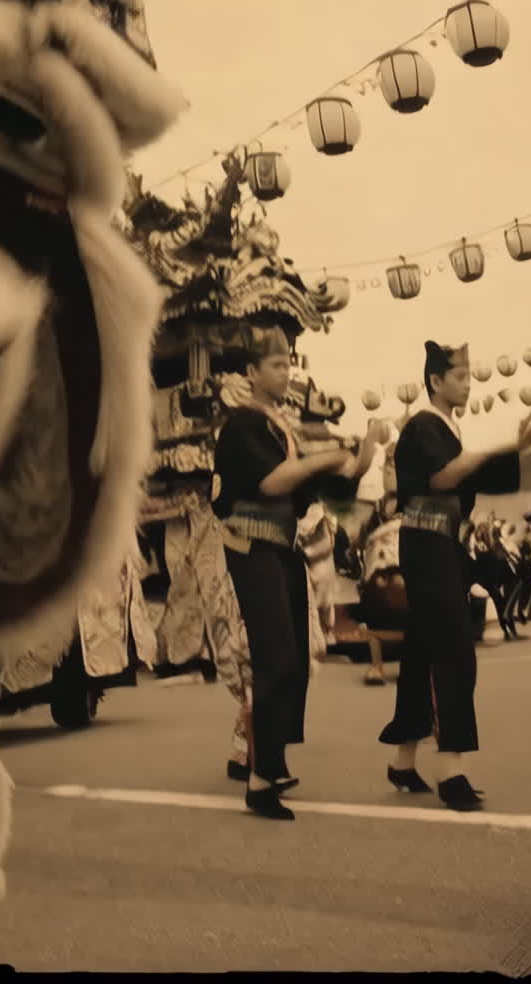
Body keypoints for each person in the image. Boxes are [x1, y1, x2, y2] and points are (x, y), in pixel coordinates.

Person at [212, 327, 377, 820]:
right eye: (276, 365)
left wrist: (360, 458)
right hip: (250, 544)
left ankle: (271, 762)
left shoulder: (281, 427)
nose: (286, 373)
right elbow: (272, 481)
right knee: (275, 658)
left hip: (281, 547)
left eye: (288, 364)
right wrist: (325, 456)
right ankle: (259, 780)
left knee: (293, 659)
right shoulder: (243, 424)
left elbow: (315, 489)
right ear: (252, 372)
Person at [378, 340, 531, 811]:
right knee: (452, 651)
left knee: (422, 650)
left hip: (442, 545)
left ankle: (403, 761)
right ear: (435, 381)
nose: (468, 384)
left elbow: (479, 476)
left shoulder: (447, 429)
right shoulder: (422, 427)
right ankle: (451, 769)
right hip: (427, 545)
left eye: (470, 376)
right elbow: (445, 478)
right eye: (460, 377)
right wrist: (508, 444)